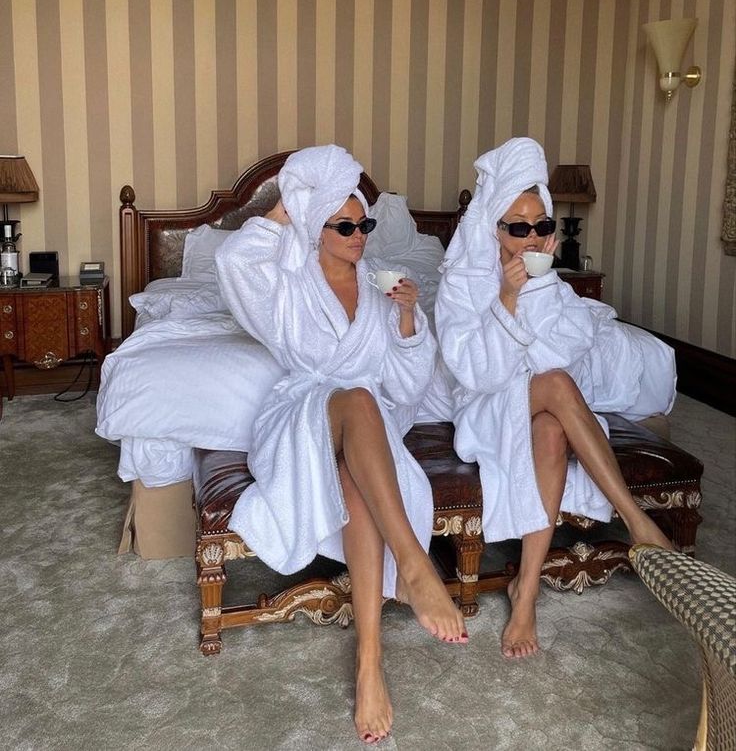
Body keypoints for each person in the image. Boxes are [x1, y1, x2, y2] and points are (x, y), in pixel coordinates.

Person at [215, 145, 467, 744]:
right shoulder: (286, 285)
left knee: (360, 455)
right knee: (354, 398)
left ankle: (370, 663)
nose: (359, 236)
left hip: (364, 433)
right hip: (301, 415)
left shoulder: (383, 290)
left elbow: (405, 387)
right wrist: (294, 204)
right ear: (316, 228)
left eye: (365, 224)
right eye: (345, 225)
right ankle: (414, 562)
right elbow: (232, 260)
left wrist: (407, 322)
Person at [434, 137, 675, 660]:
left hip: (538, 404)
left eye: (541, 225)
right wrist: (506, 299)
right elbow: (475, 370)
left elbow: (575, 342)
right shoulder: (461, 283)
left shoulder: (550, 281)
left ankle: (527, 594)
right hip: (484, 410)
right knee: (560, 389)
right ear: (492, 227)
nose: (531, 236)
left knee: (551, 427)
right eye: (517, 226)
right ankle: (636, 520)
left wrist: (539, 289)